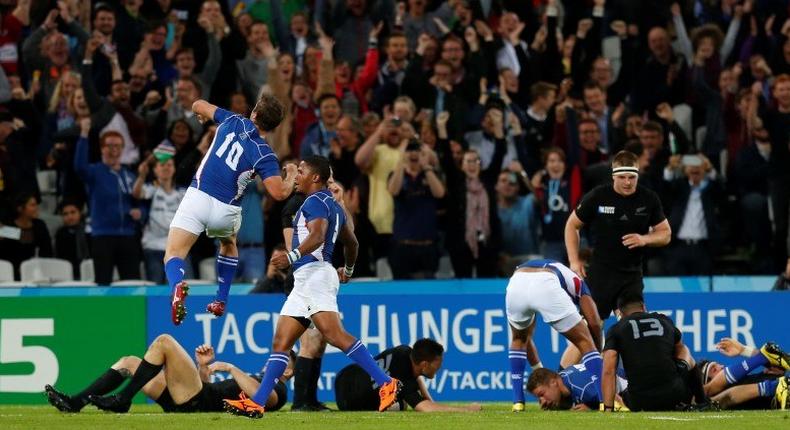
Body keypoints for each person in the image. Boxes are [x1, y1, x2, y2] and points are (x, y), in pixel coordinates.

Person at [223, 156, 401, 418]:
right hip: (308, 278)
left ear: (315, 177)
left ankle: (387, 383)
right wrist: (348, 270)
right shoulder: (334, 206)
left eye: (302, 171)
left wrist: (291, 255)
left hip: (315, 275)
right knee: (281, 342)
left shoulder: (315, 201)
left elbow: (317, 236)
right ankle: (258, 402)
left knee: (335, 335)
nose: (297, 175)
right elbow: (352, 243)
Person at [164, 94, 296, 326]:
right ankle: (220, 299)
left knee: (174, 253)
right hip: (226, 209)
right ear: (274, 127)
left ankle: (177, 285)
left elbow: (198, 104)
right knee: (228, 243)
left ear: (254, 113)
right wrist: (292, 175)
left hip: (198, 196)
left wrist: (200, 114)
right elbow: (278, 193)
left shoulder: (233, 121)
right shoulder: (265, 153)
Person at [49, 334, 293, 413]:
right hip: (197, 396)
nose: (274, 359)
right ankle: (76, 402)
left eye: (282, 359)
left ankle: (123, 400)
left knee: (164, 341)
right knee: (129, 362)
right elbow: (211, 387)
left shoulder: (279, 389)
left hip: (197, 401)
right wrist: (203, 367)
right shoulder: (254, 376)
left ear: (289, 371)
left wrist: (230, 368)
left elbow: (265, 401)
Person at [564, 150, 671, 321]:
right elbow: (572, 225)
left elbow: (665, 234)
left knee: (634, 329)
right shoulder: (598, 196)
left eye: (632, 177)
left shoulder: (649, 198)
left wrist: (645, 239)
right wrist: (574, 261)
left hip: (631, 276)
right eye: (622, 177)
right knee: (589, 334)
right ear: (613, 175)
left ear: (638, 175)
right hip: (601, 275)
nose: (627, 182)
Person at [506, 259, 603, 412]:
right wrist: (597, 353)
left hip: (516, 281)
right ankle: (605, 401)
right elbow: (595, 323)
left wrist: (539, 371)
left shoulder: (561, 272)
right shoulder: (579, 285)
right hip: (545, 281)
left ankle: (518, 402)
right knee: (585, 341)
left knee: (519, 339)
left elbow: (527, 340)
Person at [601, 295, 709, 412]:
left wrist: (608, 408)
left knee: (623, 391)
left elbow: (608, 370)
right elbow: (681, 348)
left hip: (639, 401)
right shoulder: (663, 320)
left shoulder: (616, 329)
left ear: (620, 312)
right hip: (675, 394)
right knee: (688, 357)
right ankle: (702, 402)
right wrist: (681, 366)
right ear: (643, 306)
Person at [73, 118, 142, 285]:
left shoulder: (130, 176)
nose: (114, 150)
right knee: (103, 283)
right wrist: (84, 134)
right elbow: (79, 166)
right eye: (109, 146)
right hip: (103, 236)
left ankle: (131, 312)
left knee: (132, 284)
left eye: (118, 146)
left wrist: (141, 212)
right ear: (102, 148)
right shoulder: (94, 172)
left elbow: (141, 202)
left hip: (128, 236)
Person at [335, 339, 480, 412]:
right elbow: (424, 408)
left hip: (345, 376)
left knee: (396, 397)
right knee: (401, 404)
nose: (439, 367)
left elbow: (415, 376)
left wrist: (431, 401)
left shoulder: (404, 351)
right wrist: (467, 410)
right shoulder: (404, 380)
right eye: (438, 363)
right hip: (352, 402)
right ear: (424, 364)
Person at [132, 154, 190, 284]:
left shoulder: (182, 193)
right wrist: (141, 175)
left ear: (174, 169)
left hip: (178, 249)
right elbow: (136, 193)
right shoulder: (151, 190)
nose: (166, 168)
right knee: (156, 288)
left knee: (181, 289)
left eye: (169, 165)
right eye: (162, 165)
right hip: (154, 247)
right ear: (155, 170)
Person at [526, 365, 628, 411]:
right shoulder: (561, 380)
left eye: (542, 394)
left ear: (553, 382)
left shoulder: (584, 389)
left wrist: (593, 409)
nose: (542, 402)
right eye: (539, 399)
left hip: (627, 385)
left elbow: (618, 404)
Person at [0, 193, 53, 279]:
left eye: (36, 205)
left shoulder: (39, 225)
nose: (36, 208)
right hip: (9, 275)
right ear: (20, 208)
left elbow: (47, 252)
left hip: (35, 273)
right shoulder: (8, 226)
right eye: (32, 205)